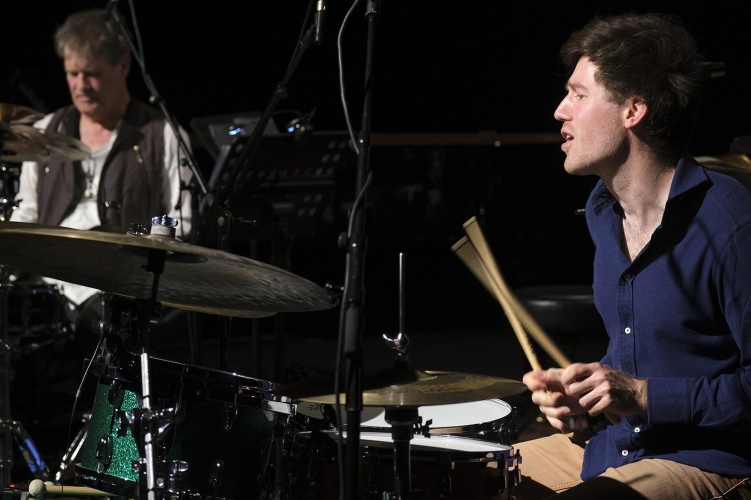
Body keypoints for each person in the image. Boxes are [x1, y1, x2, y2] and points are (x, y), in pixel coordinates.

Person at [516, 13, 751, 500]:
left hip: (709, 461)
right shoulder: (602, 212)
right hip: (618, 446)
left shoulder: (730, 223)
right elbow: (644, 353)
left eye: (579, 95)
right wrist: (585, 396)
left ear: (633, 110)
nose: (560, 111)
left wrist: (642, 395)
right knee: (476, 474)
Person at [11, 8, 193, 308]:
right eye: (73, 74)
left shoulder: (165, 136)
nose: (81, 86)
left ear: (123, 65)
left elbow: (182, 225)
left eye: (92, 74)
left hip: (123, 288)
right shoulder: (45, 131)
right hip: (50, 287)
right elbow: (27, 216)